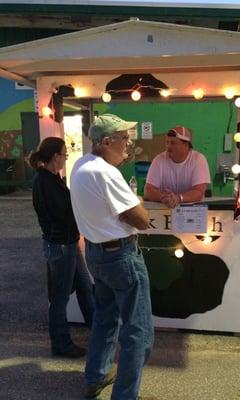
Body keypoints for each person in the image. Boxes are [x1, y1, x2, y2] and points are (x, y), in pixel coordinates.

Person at [70, 114, 154, 400]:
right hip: (121, 256)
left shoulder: (81, 164)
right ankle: (125, 395)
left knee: (105, 319)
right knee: (138, 331)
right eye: (124, 138)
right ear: (106, 142)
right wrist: (137, 201)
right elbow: (142, 220)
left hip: (96, 254)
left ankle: (96, 376)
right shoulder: (106, 172)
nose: (128, 143)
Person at [28, 137, 94, 358]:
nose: (66, 157)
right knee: (60, 297)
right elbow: (63, 213)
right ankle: (61, 344)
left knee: (85, 286)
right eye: (65, 154)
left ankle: (98, 331)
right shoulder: (45, 181)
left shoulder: (50, 178)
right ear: (55, 157)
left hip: (66, 243)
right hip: (61, 245)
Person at [144, 125, 211, 208]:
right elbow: (148, 191)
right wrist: (165, 198)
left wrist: (178, 198)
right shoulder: (159, 160)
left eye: (173, 143)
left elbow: (198, 192)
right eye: (167, 143)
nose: (168, 147)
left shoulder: (198, 159)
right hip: (164, 211)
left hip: (192, 212)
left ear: (186, 145)